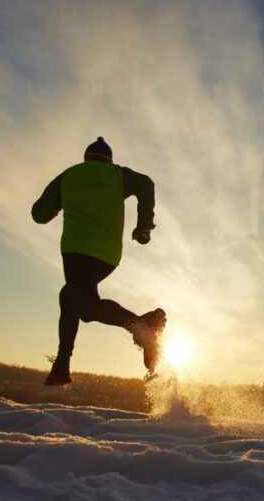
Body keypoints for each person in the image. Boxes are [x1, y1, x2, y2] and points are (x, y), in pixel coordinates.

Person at [32, 137, 166, 386]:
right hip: (108, 255)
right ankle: (61, 366)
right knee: (69, 296)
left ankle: (141, 326)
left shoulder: (69, 176)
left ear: (86, 159)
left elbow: (39, 214)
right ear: (109, 160)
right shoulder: (118, 176)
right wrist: (144, 225)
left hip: (77, 251)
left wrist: (59, 204)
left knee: (86, 306)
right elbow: (146, 184)